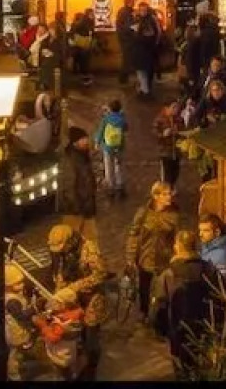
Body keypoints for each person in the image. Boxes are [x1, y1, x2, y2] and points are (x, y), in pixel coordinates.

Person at [149, 229, 220, 378]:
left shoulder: (169, 274)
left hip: (178, 332)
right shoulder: (209, 270)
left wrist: (161, 329)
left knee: (181, 370)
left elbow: (159, 306)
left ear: (178, 247)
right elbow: (218, 298)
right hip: (205, 331)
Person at [46, 224, 111, 380]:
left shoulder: (89, 249)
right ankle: (79, 365)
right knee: (76, 336)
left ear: (69, 241)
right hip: (74, 301)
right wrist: (59, 294)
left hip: (92, 300)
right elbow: (61, 273)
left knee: (91, 339)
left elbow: (101, 274)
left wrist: (75, 287)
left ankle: (91, 370)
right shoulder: (63, 254)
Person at [125, 181, 182, 318]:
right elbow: (133, 236)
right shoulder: (143, 213)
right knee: (144, 287)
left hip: (165, 259)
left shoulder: (174, 215)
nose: (169, 197)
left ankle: (162, 317)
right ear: (156, 196)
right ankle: (144, 312)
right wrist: (130, 258)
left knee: (164, 290)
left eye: (170, 193)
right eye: (165, 194)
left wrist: (178, 256)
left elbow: (177, 237)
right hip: (146, 257)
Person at [56, 126, 98, 236]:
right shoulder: (70, 160)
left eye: (86, 138)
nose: (87, 141)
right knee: (73, 243)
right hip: (75, 212)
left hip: (86, 209)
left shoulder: (83, 156)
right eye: (83, 139)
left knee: (91, 244)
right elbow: (68, 187)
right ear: (75, 142)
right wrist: (77, 209)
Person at [91, 98, 129, 199]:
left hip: (107, 147)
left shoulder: (106, 119)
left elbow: (100, 131)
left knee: (108, 166)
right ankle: (120, 185)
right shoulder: (122, 119)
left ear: (110, 108)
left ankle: (110, 186)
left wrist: (97, 142)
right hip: (119, 146)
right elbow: (126, 128)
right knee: (119, 165)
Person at [133, 1, 162, 100]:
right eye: (141, 10)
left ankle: (146, 92)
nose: (142, 12)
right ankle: (144, 90)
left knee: (144, 72)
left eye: (144, 10)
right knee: (143, 72)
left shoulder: (149, 21)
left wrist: (137, 34)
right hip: (143, 51)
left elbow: (151, 36)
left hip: (145, 51)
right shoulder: (141, 19)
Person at [153, 99, 184, 188]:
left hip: (177, 151)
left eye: (177, 107)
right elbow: (154, 133)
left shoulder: (179, 119)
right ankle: (166, 192)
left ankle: (172, 187)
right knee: (167, 174)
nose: (176, 109)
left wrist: (178, 131)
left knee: (175, 172)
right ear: (166, 108)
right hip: (165, 152)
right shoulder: (160, 120)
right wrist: (163, 134)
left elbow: (183, 130)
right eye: (173, 107)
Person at [197, 213, 226, 280]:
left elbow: (221, 283)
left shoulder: (221, 254)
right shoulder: (205, 248)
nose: (200, 234)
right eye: (200, 230)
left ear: (217, 232)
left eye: (206, 230)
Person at [115, 0, 137, 86]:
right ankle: (123, 78)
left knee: (127, 58)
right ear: (128, 2)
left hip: (125, 38)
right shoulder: (125, 12)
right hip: (126, 38)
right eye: (132, 1)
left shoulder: (125, 11)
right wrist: (132, 28)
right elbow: (125, 26)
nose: (134, 3)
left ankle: (124, 78)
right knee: (126, 59)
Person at [69, 9, 95, 87]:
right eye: (91, 14)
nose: (93, 15)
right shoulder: (85, 22)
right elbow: (88, 32)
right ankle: (85, 79)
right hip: (83, 45)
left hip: (81, 45)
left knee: (82, 62)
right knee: (84, 62)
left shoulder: (85, 22)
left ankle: (83, 77)